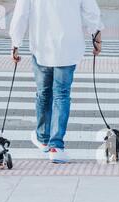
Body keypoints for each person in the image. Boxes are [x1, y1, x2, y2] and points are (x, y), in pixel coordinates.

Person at [9, 0, 104, 163]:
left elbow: (21, 15)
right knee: (61, 95)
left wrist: (15, 43)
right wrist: (96, 36)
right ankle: (56, 146)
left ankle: (43, 138)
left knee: (44, 93)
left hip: (42, 46)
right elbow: (90, 11)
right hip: (68, 47)